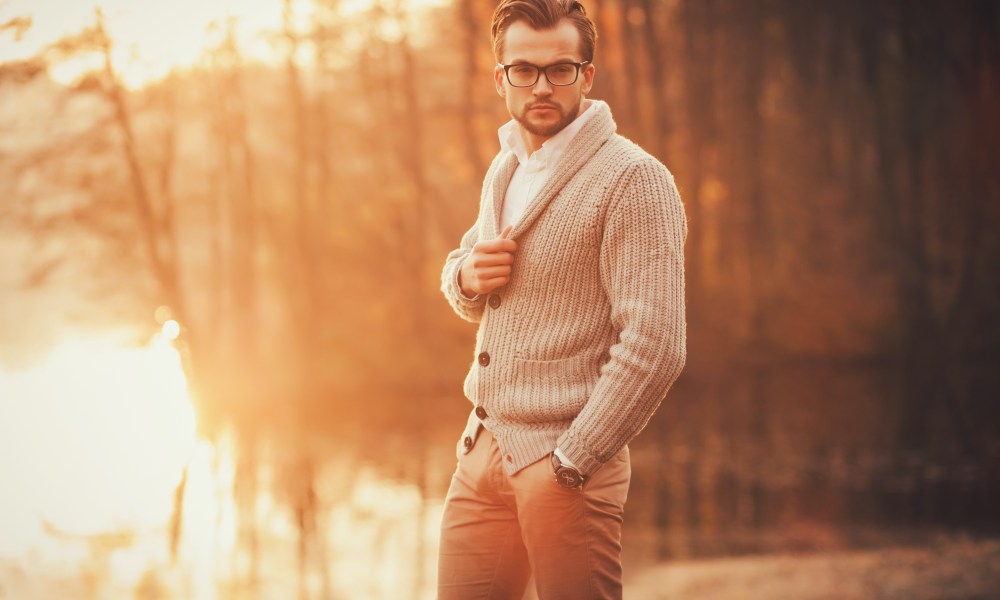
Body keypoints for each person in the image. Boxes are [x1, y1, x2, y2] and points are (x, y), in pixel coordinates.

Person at [438, 0, 686, 598]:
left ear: (587, 74)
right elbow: (463, 270)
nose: (541, 86)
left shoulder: (634, 179)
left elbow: (656, 347)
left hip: (564, 466)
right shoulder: (507, 167)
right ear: (501, 79)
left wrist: (573, 461)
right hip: (481, 452)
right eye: (524, 70)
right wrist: (468, 277)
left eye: (560, 69)